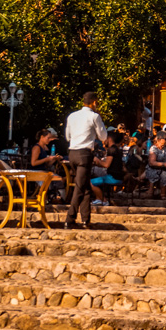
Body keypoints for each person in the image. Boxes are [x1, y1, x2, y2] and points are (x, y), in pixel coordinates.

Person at [65, 91, 108, 230]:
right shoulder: (94, 116)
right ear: (94, 102)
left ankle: (85, 219)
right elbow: (103, 136)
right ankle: (69, 219)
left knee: (85, 187)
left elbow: (67, 136)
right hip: (85, 154)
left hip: (72, 153)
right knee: (79, 187)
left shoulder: (72, 116)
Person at [91, 131, 125, 205]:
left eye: (104, 139)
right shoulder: (116, 149)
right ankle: (98, 198)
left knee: (90, 182)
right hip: (118, 177)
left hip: (113, 177)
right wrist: (97, 164)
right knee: (96, 178)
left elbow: (106, 165)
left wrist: (97, 160)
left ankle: (104, 200)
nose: (103, 141)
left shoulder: (111, 150)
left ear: (108, 139)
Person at [145, 132, 166, 199]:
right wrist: (164, 164)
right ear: (160, 139)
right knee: (165, 175)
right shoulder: (154, 148)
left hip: (162, 169)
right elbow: (152, 162)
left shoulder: (165, 149)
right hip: (153, 170)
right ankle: (162, 195)